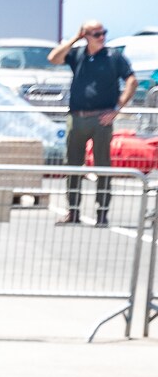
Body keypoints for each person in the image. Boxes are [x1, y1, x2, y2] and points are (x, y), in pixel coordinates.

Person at [49, 20, 136, 225]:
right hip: (77, 116)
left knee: (103, 165)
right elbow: (53, 58)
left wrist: (117, 108)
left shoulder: (113, 56)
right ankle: (73, 210)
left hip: (102, 118)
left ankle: (103, 211)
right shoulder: (78, 54)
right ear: (86, 35)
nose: (102, 37)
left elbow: (131, 81)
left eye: (103, 32)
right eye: (96, 34)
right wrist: (74, 39)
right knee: (72, 165)